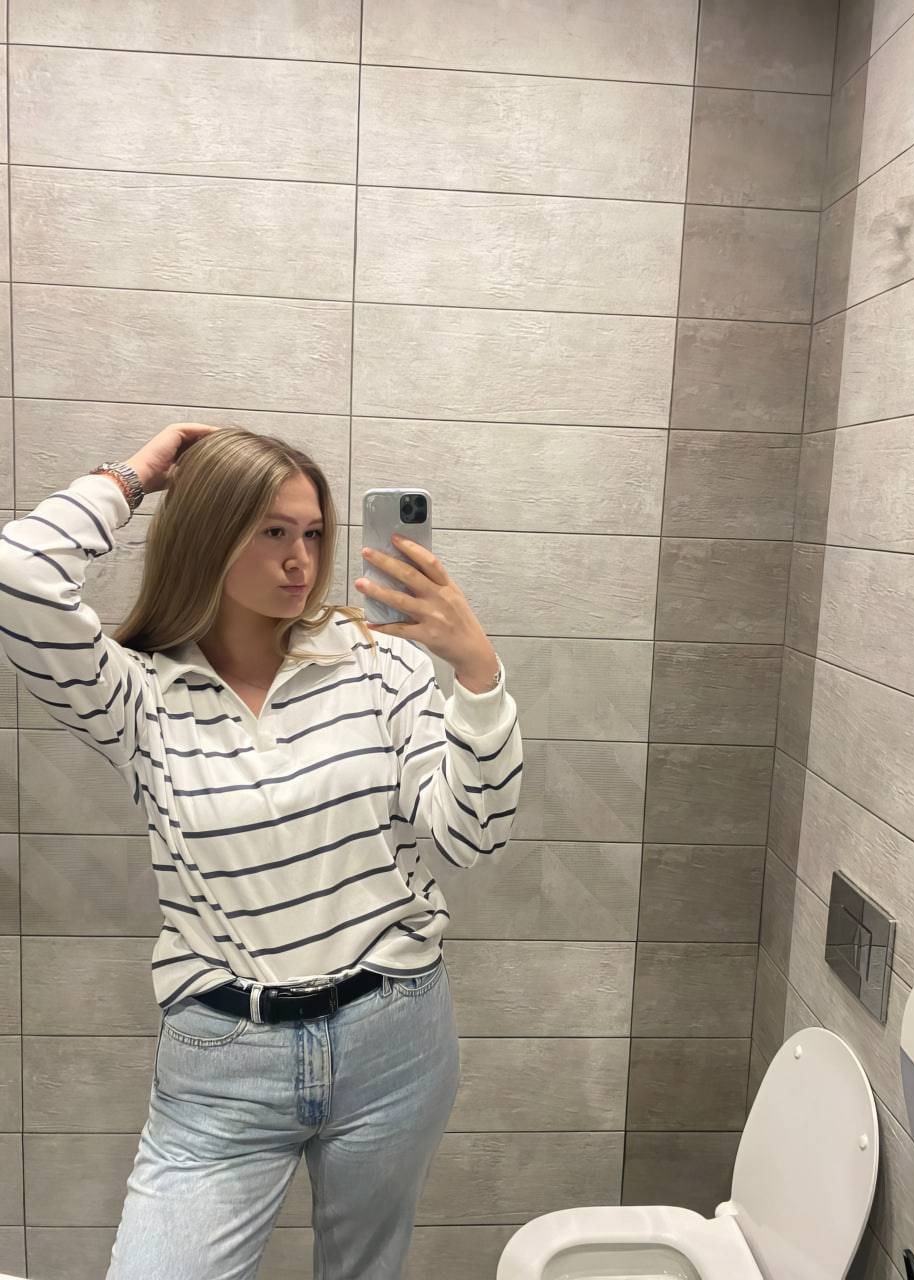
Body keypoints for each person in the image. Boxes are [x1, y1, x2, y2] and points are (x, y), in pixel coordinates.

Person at [0, 422, 523, 1279]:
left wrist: (477, 676)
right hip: (222, 1059)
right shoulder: (138, 694)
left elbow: (474, 833)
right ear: (209, 533)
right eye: (272, 531)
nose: (300, 560)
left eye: (313, 533)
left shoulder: (377, 663)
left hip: (394, 1033)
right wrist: (136, 475)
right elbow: (18, 573)